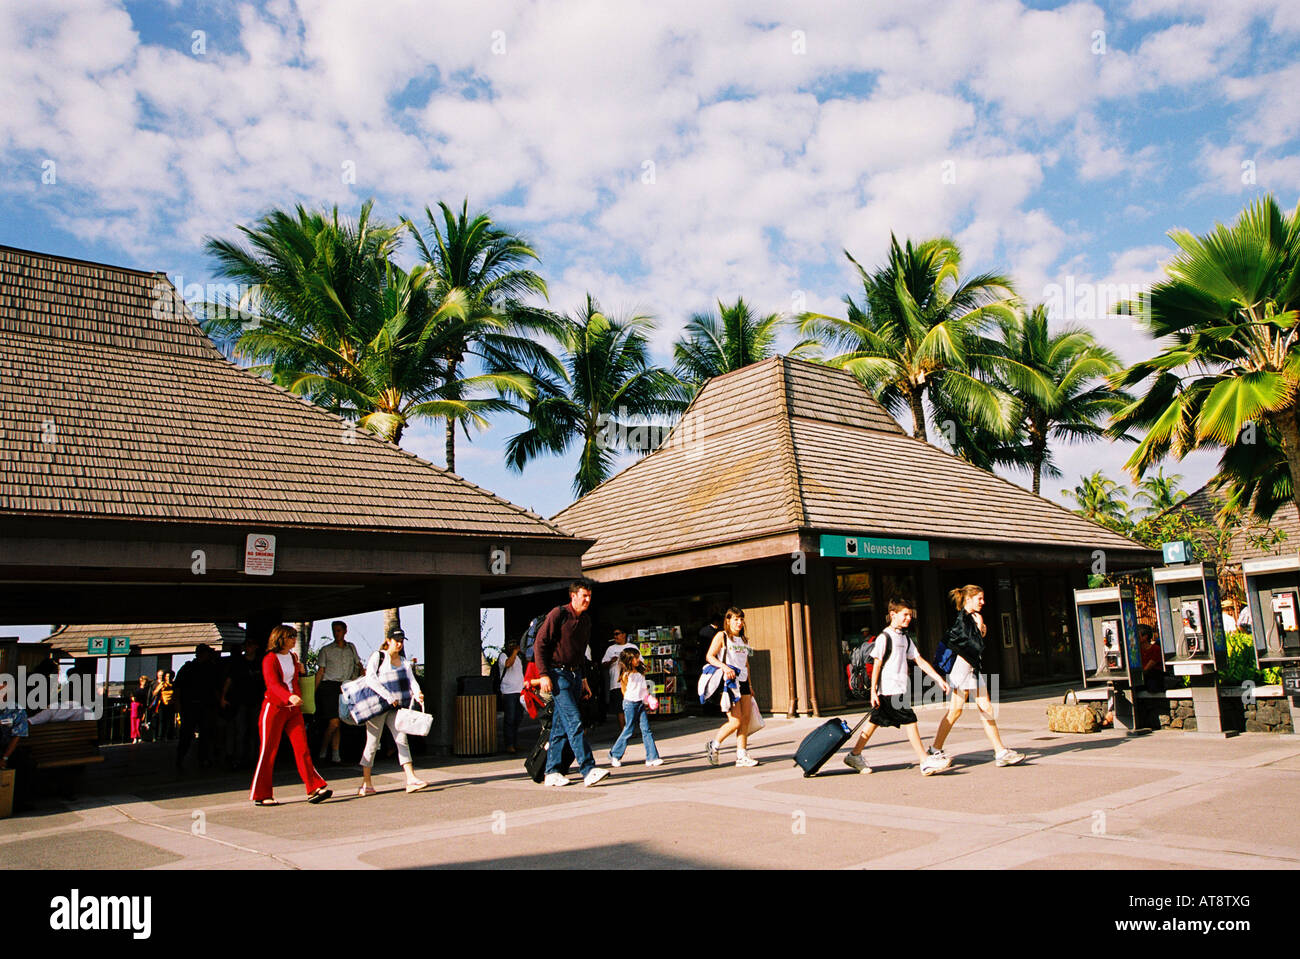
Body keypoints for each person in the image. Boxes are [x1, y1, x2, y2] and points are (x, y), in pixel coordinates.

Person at [843, 599, 951, 775]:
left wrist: (938, 678)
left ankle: (854, 754)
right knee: (910, 720)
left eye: (910, 615)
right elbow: (877, 665)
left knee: (874, 721)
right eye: (905, 615)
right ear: (893, 615)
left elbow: (919, 660)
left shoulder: (904, 638)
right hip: (888, 689)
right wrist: (873, 692)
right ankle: (925, 761)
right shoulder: (884, 637)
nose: (909, 618)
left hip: (896, 689)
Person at [928, 585, 1025, 768]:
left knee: (983, 708)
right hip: (962, 670)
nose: (983, 602)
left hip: (971, 669)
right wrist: (980, 629)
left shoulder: (972, 617)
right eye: (979, 598)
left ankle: (1000, 751)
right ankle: (935, 749)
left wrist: (979, 629)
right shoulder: (963, 619)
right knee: (957, 710)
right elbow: (970, 644)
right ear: (968, 599)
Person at [535, 579, 610, 787]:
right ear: (573, 596)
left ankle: (552, 772)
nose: (587, 600)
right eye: (584, 595)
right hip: (557, 674)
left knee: (560, 726)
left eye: (589, 596)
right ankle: (588, 769)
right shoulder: (558, 615)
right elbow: (540, 644)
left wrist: (584, 678)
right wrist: (543, 674)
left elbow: (580, 654)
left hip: (575, 675)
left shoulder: (585, 621)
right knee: (574, 720)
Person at [250, 624, 331, 806]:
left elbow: (293, 680)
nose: (294, 639)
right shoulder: (269, 659)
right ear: (280, 639)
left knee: (302, 749)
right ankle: (262, 794)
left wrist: (300, 671)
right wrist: (289, 696)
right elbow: (272, 685)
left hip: (293, 710)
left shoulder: (293, 657)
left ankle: (314, 787)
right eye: (290, 636)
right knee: (268, 751)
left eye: (295, 636)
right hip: (274, 708)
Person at [358, 629, 428, 795]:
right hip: (378, 706)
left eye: (402, 640)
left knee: (401, 739)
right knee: (373, 743)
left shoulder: (404, 661)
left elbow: (411, 680)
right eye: (396, 640)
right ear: (388, 640)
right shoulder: (379, 656)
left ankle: (411, 779)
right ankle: (366, 783)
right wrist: (388, 697)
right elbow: (370, 679)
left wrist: (418, 694)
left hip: (396, 707)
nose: (399, 643)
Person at [703, 607, 760, 767]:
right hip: (729, 683)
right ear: (728, 621)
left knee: (746, 720)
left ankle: (741, 755)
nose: (739, 622)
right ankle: (714, 744)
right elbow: (709, 656)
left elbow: (746, 663)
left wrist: (750, 684)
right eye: (735, 619)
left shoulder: (744, 640)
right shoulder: (722, 636)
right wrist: (725, 667)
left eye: (741, 619)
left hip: (743, 682)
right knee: (735, 721)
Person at [315, 621, 363, 765]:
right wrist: (314, 691)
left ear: (345, 631)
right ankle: (323, 750)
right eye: (334, 631)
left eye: (339, 630)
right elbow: (321, 671)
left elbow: (358, 665)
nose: (337, 633)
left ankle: (335, 754)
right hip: (329, 686)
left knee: (339, 721)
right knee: (334, 722)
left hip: (346, 685)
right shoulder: (326, 650)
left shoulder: (351, 648)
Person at [609, 647, 662, 767]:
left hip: (640, 703)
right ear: (629, 660)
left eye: (638, 657)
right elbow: (624, 690)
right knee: (628, 729)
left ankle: (652, 757)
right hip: (630, 703)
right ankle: (615, 754)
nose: (638, 660)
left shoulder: (640, 672)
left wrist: (648, 699)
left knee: (646, 729)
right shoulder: (626, 674)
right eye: (635, 658)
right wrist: (628, 701)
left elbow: (643, 688)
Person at [174, 644, 221, 769]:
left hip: (201, 706)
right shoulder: (191, 668)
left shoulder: (189, 668)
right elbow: (178, 689)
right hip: (194, 706)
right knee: (191, 734)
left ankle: (196, 758)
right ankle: (187, 758)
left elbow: (177, 688)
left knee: (202, 734)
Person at [222, 640, 264, 769]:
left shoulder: (260, 662)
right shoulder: (238, 662)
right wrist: (223, 697)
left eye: (250, 645)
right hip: (240, 701)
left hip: (256, 701)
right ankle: (238, 758)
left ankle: (254, 758)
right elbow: (229, 680)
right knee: (241, 731)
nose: (248, 648)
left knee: (255, 730)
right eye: (246, 646)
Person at [498, 638, 526, 753]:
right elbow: (508, 664)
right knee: (510, 718)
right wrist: (514, 652)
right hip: (508, 692)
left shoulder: (519, 658)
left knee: (518, 718)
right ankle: (509, 744)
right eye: (511, 644)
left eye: (515, 644)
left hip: (519, 691)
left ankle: (514, 742)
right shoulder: (503, 656)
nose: (513, 646)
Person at [602, 628, 636, 716]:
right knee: (620, 709)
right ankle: (624, 729)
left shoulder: (632, 647)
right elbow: (603, 664)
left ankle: (629, 727)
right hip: (616, 684)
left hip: (631, 683)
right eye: (614, 634)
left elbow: (640, 662)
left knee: (632, 708)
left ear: (624, 634)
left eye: (617, 634)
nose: (615, 636)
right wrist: (611, 662)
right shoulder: (611, 649)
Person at [150, 669, 176, 741]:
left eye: (170, 676)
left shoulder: (174, 684)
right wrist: (159, 688)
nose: (168, 678)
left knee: (170, 720)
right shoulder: (162, 684)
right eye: (167, 676)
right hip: (163, 704)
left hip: (171, 704)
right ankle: (160, 736)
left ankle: (169, 736)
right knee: (162, 720)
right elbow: (154, 693)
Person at [129, 676, 150, 744]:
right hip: (136, 705)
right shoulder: (136, 690)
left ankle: (139, 736)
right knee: (134, 722)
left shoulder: (147, 690)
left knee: (139, 722)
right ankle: (135, 737)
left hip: (141, 706)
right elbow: (132, 697)